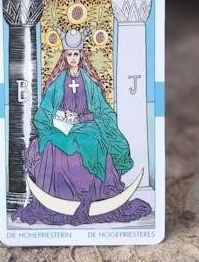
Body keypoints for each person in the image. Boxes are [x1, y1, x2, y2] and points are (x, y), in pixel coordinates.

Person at [12, 28, 151, 225]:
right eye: (69, 54)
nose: (73, 58)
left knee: (92, 143)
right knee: (52, 144)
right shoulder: (58, 82)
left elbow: (102, 108)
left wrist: (86, 118)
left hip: (88, 126)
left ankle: (94, 195)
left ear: (81, 55)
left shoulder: (89, 82)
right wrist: (58, 118)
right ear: (64, 56)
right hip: (64, 128)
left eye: (76, 54)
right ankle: (61, 197)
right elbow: (46, 110)